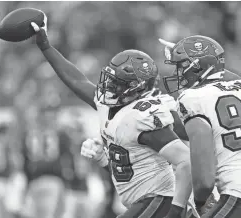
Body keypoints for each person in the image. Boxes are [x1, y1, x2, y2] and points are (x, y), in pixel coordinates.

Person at [29, 14, 192, 218]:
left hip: (160, 198)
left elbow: (186, 159)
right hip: (142, 199)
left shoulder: (144, 116)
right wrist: (46, 47)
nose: (109, 86)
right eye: (110, 79)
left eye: (117, 83)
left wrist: (178, 208)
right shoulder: (108, 106)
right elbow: (76, 80)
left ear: (136, 88)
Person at [160, 35, 241, 218]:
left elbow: (204, 182)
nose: (177, 73)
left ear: (196, 67)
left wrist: (201, 201)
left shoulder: (194, 99)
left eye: (180, 66)